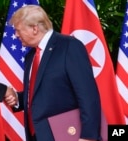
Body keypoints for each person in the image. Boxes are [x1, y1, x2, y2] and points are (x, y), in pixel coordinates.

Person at [10, 5, 101, 141]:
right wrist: (18, 98)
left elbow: (87, 94)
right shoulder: (31, 56)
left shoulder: (69, 46)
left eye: (18, 30)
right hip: (38, 135)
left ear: (34, 28)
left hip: (67, 135)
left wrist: (88, 136)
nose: (16, 35)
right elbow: (44, 92)